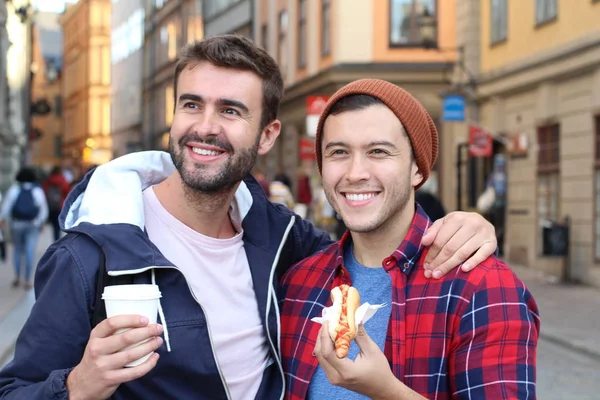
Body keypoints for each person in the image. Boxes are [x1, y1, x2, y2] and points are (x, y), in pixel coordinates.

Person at [0, 36, 497, 400]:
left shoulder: (286, 243)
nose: (206, 127)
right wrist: (78, 386)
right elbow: (15, 389)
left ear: (266, 135)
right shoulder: (89, 255)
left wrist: (467, 223)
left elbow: (370, 245)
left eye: (232, 111)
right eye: (192, 104)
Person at [280, 80, 539, 399]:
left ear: (417, 168)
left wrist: (387, 391)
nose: (355, 172)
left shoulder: (483, 288)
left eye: (378, 152)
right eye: (339, 153)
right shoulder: (298, 284)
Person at [0, 167, 48, 290]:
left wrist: (2, 219)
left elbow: (7, 206)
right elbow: (43, 208)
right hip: (32, 224)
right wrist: (41, 222)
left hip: (17, 224)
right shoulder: (37, 190)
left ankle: (17, 277)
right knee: (29, 250)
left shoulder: (15, 189)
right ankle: (27, 279)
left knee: (17, 250)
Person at [42, 166, 72, 241]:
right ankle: (56, 240)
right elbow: (67, 192)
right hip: (60, 206)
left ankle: (54, 239)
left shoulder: (48, 180)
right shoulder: (62, 180)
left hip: (50, 206)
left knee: (53, 225)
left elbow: (44, 191)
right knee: (57, 226)